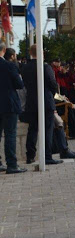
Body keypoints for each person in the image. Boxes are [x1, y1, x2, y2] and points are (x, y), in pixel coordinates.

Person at [22, 45, 63, 166]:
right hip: (46, 102)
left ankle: (30, 156)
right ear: (42, 53)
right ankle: (47, 156)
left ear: (30, 53)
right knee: (47, 130)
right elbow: (53, 84)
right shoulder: (45, 67)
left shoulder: (25, 67)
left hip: (31, 102)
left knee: (33, 129)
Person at [0, 42, 26, 174]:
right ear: (4, 50)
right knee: (10, 134)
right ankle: (12, 164)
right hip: (8, 104)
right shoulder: (9, 66)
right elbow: (19, 84)